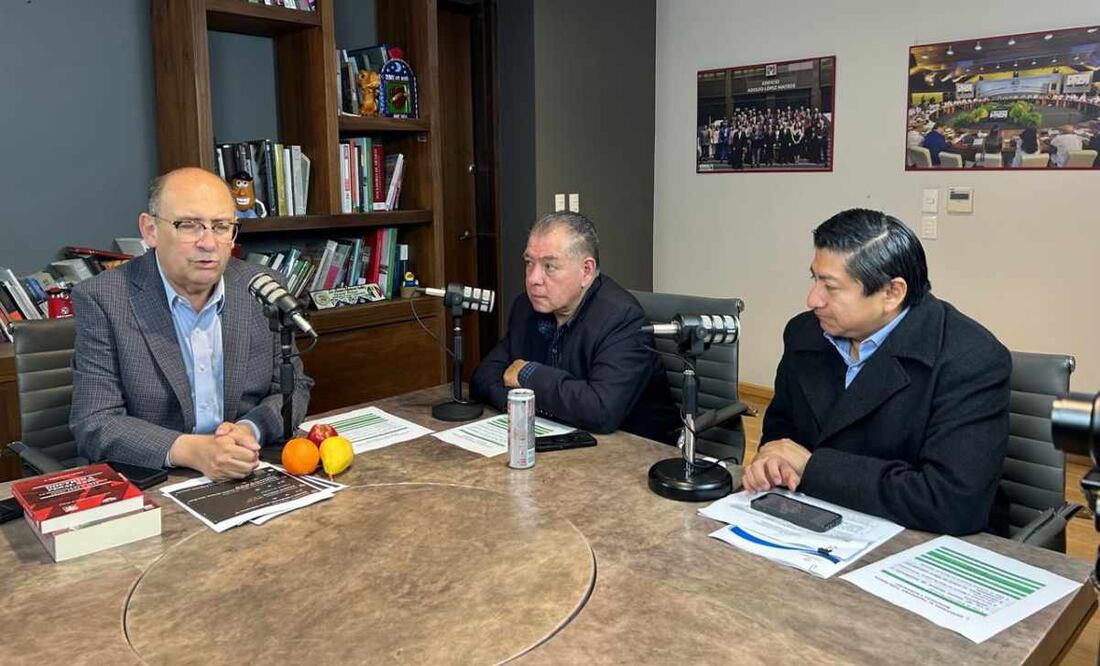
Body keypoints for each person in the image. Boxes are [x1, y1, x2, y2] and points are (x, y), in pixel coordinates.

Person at [742, 209, 1011, 535]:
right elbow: (782, 434)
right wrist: (772, 463)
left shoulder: (971, 358)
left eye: (831, 286)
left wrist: (814, 467)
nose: (813, 299)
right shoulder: (805, 333)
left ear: (891, 293)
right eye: (814, 278)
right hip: (815, 524)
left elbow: (951, 502)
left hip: (922, 541)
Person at [71, 167, 314, 480]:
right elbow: (95, 422)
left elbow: (294, 389)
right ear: (150, 230)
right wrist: (192, 451)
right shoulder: (104, 299)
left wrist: (249, 430)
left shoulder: (262, 288)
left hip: (245, 468)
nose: (209, 243)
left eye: (222, 226)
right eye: (189, 226)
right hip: (155, 479)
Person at [470, 212, 680, 443]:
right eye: (529, 263)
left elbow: (600, 411)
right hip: (559, 442)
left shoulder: (622, 319)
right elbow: (483, 379)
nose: (533, 279)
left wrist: (527, 374)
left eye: (549, 266)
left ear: (586, 271)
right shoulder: (525, 308)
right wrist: (542, 404)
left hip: (631, 455)